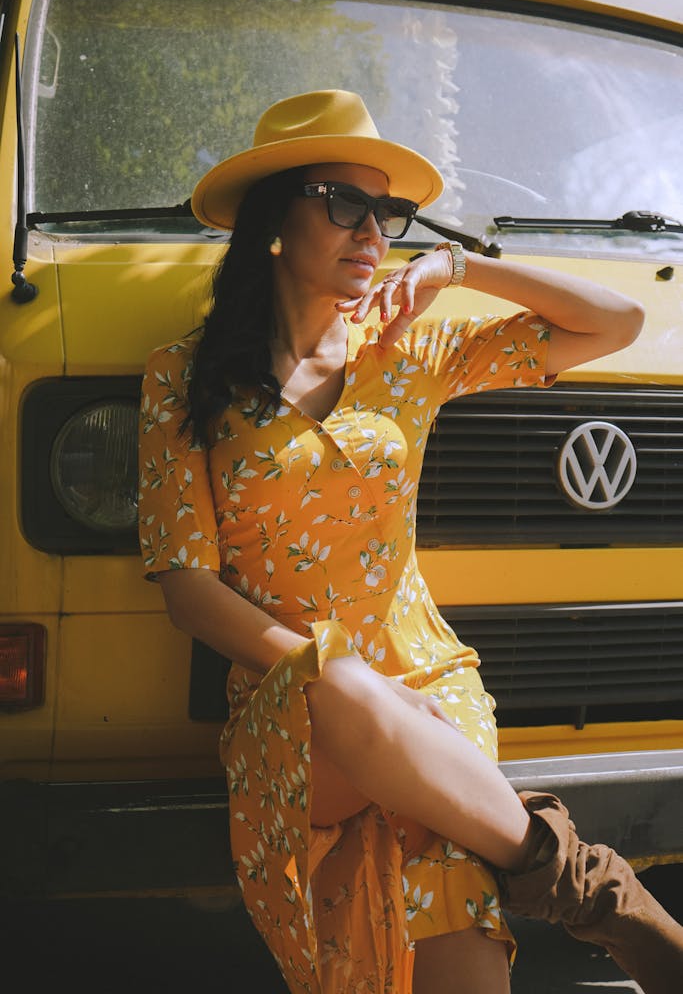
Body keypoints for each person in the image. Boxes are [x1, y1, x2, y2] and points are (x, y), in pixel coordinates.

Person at [137, 90, 682, 994]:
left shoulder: (407, 353)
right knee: (344, 682)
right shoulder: (181, 379)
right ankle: (601, 899)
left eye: (386, 213)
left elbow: (611, 324)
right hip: (291, 708)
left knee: (458, 947)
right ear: (275, 218)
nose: (372, 231)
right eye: (343, 204)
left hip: (432, 690)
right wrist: (336, 677)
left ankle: (583, 893)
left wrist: (458, 267)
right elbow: (187, 588)